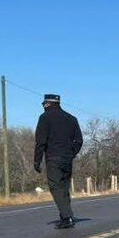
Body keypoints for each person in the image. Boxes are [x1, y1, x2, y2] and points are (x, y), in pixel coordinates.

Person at [33, 93, 83, 229]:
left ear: (48, 104)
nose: (43, 106)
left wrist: (37, 160)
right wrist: (71, 154)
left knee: (56, 187)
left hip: (53, 158)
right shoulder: (72, 119)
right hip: (67, 159)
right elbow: (79, 141)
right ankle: (65, 216)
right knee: (64, 188)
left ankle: (67, 218)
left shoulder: (44, 118)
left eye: (44, 104)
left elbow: (40, 141)